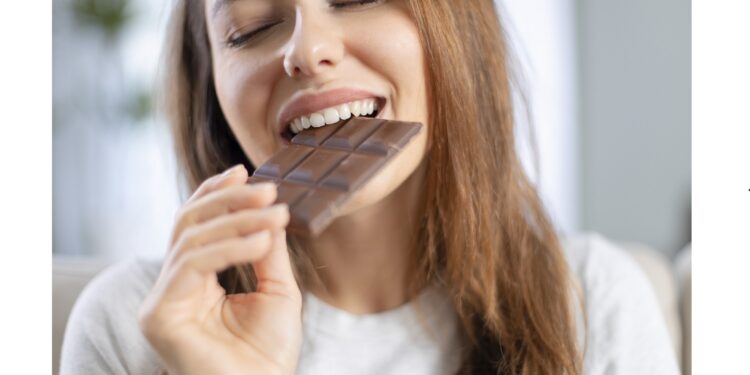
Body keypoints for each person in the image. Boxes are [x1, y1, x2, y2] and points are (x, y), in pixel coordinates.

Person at [60, 0, 680, 374]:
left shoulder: (592, 303)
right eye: (249, 27)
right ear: (210, 90)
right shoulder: (133, 327)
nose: (307, 50)